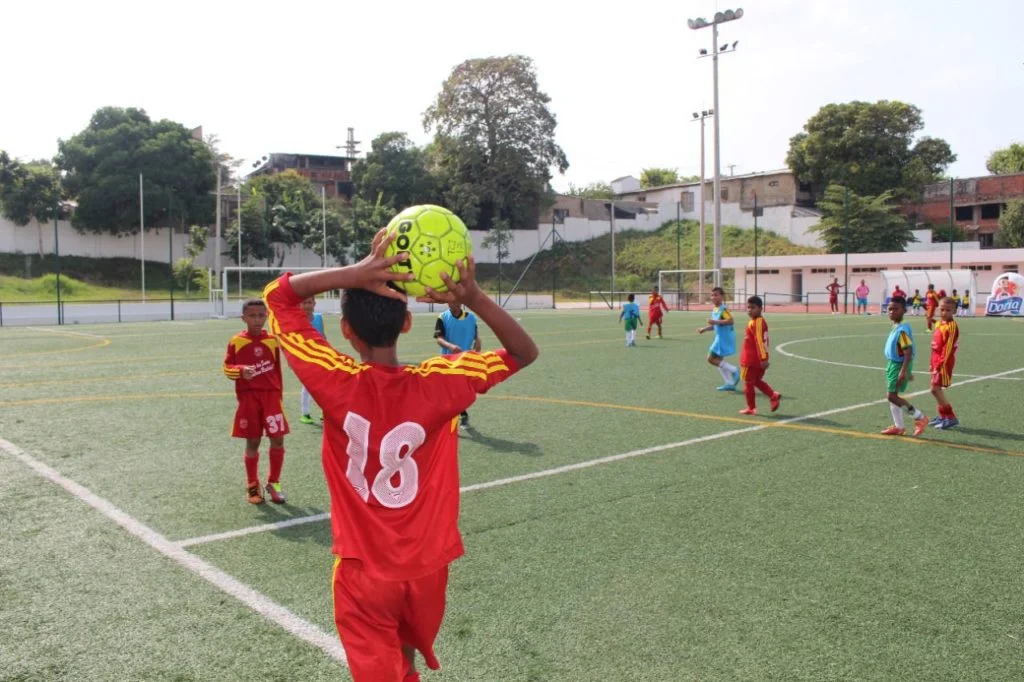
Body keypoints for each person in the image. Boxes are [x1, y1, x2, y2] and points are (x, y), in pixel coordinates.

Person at [262, 230, 538, 682]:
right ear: (407, 323)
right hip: (427, 568)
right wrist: (474, 295)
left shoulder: (334, 379)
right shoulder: (443, 380)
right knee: (405, 658)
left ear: (346, 330)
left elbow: (278, 298)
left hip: (363, 572)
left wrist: (353, 273)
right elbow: (523, 352)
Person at [222, 298, 289, 505]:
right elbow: (227, 368)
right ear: (244, 318)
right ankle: (252, 485)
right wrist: (241, 371)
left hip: (271, 398)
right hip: (249, 398)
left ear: (266, 316)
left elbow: (277, 371)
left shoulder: (272, 341)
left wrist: (279, 396)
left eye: (261, 315)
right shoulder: (236, 342)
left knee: (278, 439)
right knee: (253, 441)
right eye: (252, 316)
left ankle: (274, 483)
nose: (257, 320)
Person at [880, 295, 929, 436]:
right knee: (893, 395)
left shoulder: (902, 330)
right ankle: (899, 427)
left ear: (904, 310)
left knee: (891, 396)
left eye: (896, 309)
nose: (891, 312)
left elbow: (908, 351)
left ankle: (920, 417)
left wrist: (903, 370)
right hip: (893, 364)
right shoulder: (896, 326)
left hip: (898, 365)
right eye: (889, 309)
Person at [434, 300, 482, 428]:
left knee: (457, 390)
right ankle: (459, 415)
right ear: (448, 303)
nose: (455, 305)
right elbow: (439, 338)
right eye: (452, 303)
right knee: (449, 391)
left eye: (457, 303)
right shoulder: (443, 317)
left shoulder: (471, 318)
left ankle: (461, 415)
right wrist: (450, 346)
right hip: (447, 361)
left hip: (464, 360)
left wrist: (478, 341)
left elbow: (475, 335)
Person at [738, 295, 781, 415]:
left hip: (751, 360)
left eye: (753, 307)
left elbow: (759, 341)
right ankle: (773, 395)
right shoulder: (756, 321)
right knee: (756, 381)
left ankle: (751, 408)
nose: (750, 310)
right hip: (756, 359)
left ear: (760, 308)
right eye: (748, 307)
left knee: (748, 383)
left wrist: (763, 359)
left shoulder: (757, 322)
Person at [697, 286, 740, 391]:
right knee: (718, 360)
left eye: (716, 295)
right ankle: (730, 383)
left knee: (711, 359)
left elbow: (731, 320)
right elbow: (715, 326)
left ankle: (735, 370)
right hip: (722, 337)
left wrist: (715, 322)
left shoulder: (723, 309)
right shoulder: (715, 309)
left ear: (722, 296)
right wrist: (704, 329)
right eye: (712, 295)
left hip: (724, 338)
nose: (713, 297)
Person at [929, 297, 960, 430]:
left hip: (944, 362)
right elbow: (936, 344)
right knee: (936, 390)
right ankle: (943, 416)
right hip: (936, 359)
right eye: (942, 309)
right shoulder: (939, 323)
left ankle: (951, 417)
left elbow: (947, 349)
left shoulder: (952, 327)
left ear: (954, 311)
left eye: (948, 310)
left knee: (935, 389)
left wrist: (940, 364)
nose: (944, 312)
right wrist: (932, 362)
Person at [299, 296, 327, 424]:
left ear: (314, 304)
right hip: (305, 358)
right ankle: (305, 414)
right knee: (307, 386)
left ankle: (324, 412)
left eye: (309, 302)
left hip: (321, 356)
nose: (307, 305)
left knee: (324, 385)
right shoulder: (297, 320)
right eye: (304, 302)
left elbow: (323, 336)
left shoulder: (318, 318)